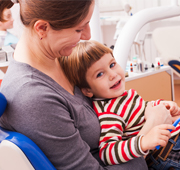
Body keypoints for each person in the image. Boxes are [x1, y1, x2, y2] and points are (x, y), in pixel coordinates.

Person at [0, 0, 174, 169]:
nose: (87, 35)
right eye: (79, 29)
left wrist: (151, 111)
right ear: (42, 28)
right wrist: (150, 128)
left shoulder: (62, 60)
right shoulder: (33, 97)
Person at [60, 40, 180, 169]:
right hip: (165, 154)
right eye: (100, 74)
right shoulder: (110, 112)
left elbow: (141, 111)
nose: (113, 74)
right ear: (88, 90)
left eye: (112, 65)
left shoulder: (122, 96)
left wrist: (162, 105)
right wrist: (143, 142)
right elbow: (108, 153)